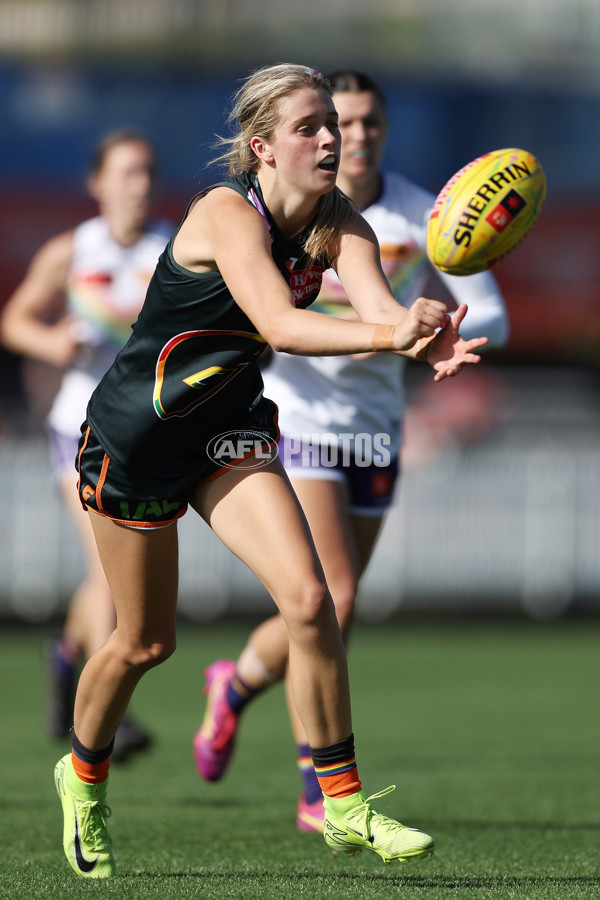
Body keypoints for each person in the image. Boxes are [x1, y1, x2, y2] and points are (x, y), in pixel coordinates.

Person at [50, 63, 488, 879]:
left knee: (312, 598)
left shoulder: (340, 222)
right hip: (138, 438)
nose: (334, 139)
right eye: (311, 126)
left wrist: (419, 330)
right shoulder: (223, 212)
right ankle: (82, 780)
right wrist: (387, 335)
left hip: (226, 431)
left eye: (336, 123)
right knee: (144, 643)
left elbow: (379, 311)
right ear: (261, 148)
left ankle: (343, 803)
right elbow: (282, 326)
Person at [193, 70, 509, 833]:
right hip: (297, 418)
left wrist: (448, 334)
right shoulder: (284, 217)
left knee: (336, 609)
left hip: (377, 427)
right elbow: (282, 318)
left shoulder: (425, 214)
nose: (351, 136)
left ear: (383, 130)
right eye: (338, 121)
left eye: (365, 122)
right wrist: (388, 327)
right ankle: (320, 789)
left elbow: (488, 312)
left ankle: (235, 684)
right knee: (332, 595)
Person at [0, 129, 173, 761]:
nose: (139, 184)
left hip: (146, 433)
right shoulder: (72, 250)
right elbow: (14, 320)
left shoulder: (175, 251)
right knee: (109, 570)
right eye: (126, 172)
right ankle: (108, 718)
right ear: (97, 183)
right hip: (78, 428)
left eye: (148, 171)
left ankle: (67, 656)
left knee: (109, 574)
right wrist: (51, 344)